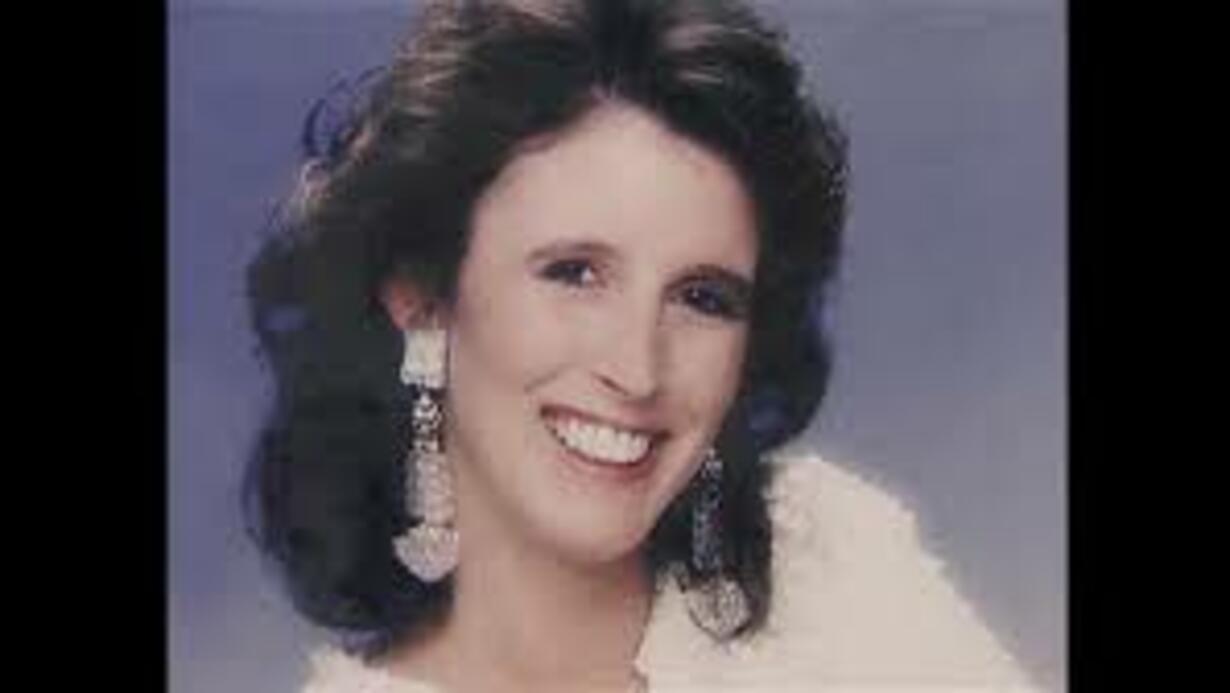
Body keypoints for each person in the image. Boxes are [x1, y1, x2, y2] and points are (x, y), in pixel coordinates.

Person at [244, 1, 1039, 690]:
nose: (637, 369)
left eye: (702, 298)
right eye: (575, 273)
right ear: (424, 296)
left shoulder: (841, 568)